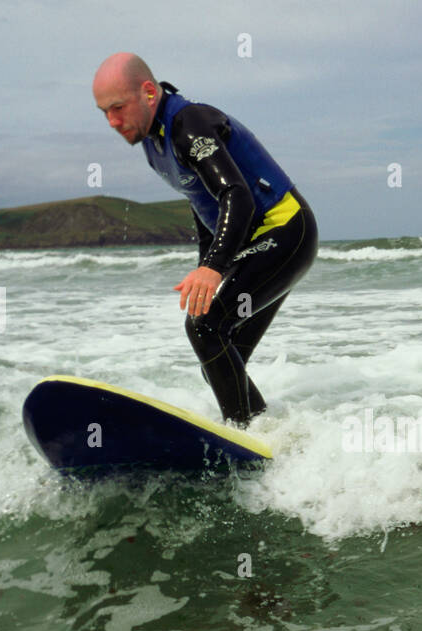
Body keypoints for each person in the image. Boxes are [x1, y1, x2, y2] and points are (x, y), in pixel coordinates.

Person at [92, 52, 317, 427]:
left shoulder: (188, 125)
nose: (113, 121)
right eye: (104, 112)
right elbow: (202, 202)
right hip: (261, 243)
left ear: (149, 92)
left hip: (287, 232)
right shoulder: (153, 142)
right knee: (219, 360)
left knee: (205, 329)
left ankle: (241, 438)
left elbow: (236, 195)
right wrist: (206, 263)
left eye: (118, 107)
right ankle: (269, 439)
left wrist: (214, 268)